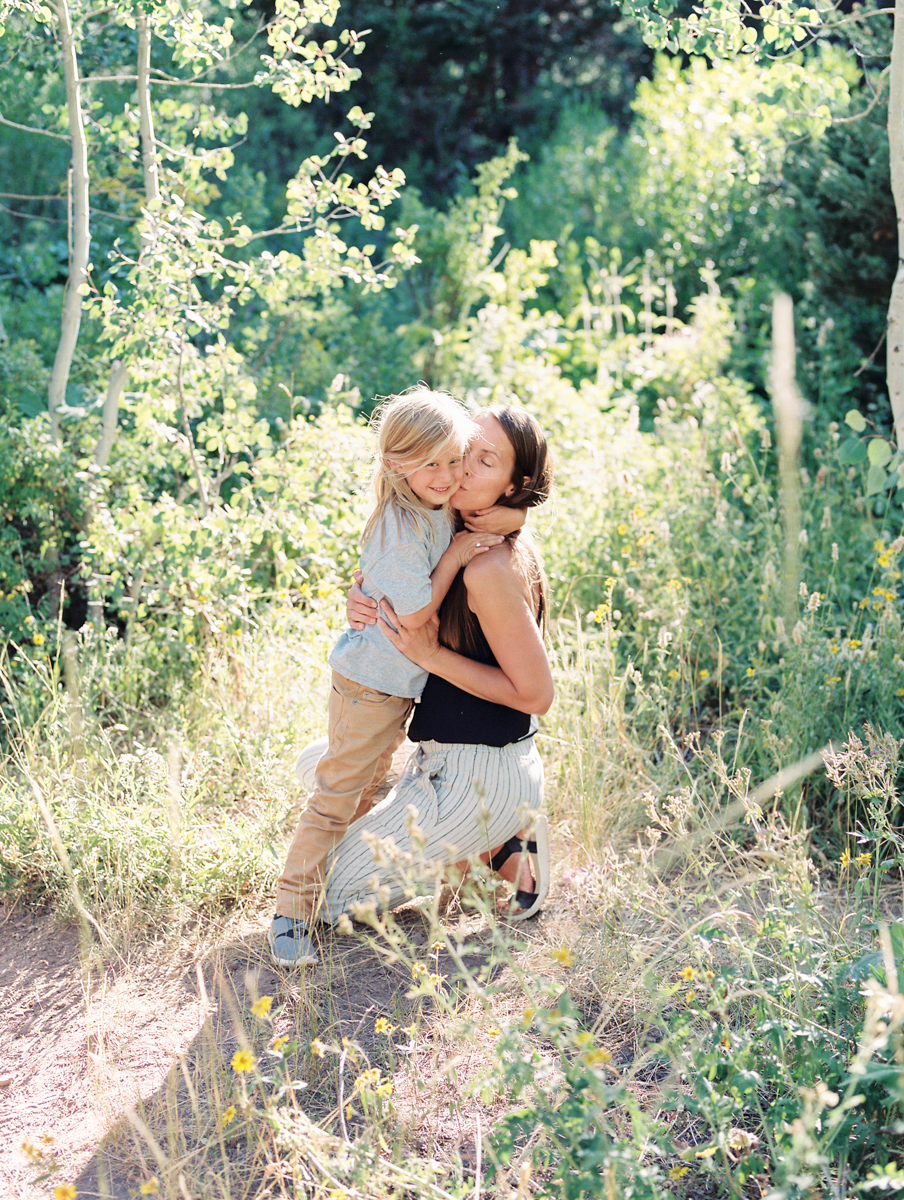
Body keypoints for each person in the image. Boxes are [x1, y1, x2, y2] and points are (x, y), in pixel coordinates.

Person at [269, 386, 510, 968]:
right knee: (335, 798)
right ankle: (289, 913)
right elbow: (412, 615)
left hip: (392, 685)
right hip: (369, 685)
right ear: (397, 463)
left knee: (364, 785)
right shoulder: (399, 525)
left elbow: (510, 510)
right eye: (433, 463)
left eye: (456, 459)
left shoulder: (432, 503)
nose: (449, 475)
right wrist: (456, 555)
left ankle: (330, 879)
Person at [313, 405, 554, 932]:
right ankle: (477, 843)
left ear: (518, 483)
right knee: (319, 763)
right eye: (465, 450)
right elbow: (402, 570)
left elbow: (537, 695)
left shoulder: (490, 564)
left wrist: (430, 656)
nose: (460, 470)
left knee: (322, 897)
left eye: (484, 461)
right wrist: (361, 597)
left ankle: (498, 852)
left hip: (478, 771)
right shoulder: (458, 528)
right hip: (444, 757)